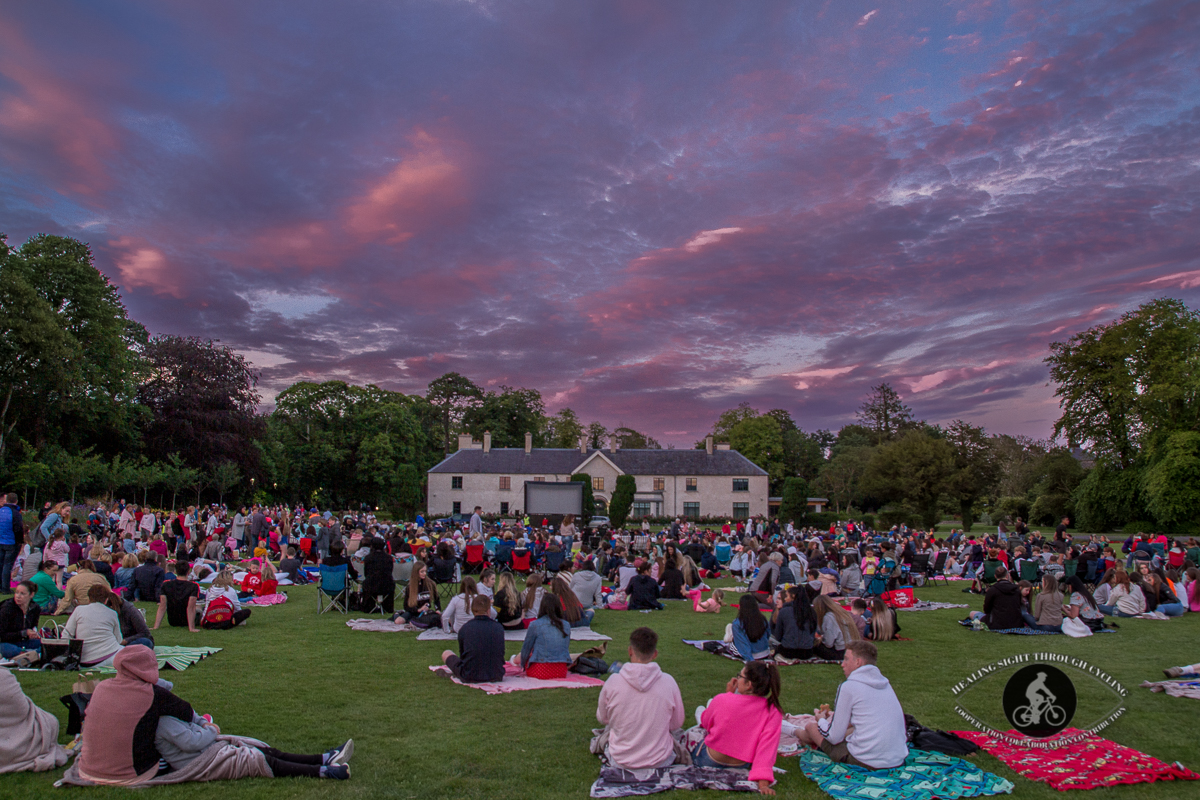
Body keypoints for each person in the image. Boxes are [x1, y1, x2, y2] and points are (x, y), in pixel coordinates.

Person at [74, 645, 350, 784]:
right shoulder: (153, 703)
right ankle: (323, 769)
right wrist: (210, 728)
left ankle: (324, 759)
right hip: (133, 770)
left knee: (256, 750)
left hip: (96, 765)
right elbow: (187, 719)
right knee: (254, 758)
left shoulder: (105, 689)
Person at [797, 641, 908, 770]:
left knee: (812, 727)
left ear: (858, 662)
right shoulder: (885, 684)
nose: (842, 664)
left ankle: (793, 731)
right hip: (897, 758)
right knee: (850, 729)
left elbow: (834, 737)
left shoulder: (849, 687)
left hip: (867, 761)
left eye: (846, 659)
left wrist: (820, 719)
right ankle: (795, 732)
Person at [596, 627, 685, 770]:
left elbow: (603, 718)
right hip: (660, 759)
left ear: (630, 651)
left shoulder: (613, 682)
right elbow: (676, 723)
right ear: (654, 654)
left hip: (621, 758)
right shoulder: (668, 682)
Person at [694, 660, 783, 795]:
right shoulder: (772, 710)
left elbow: (706, 723)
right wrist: (763, 784)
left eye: (740, 676)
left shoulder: (722, 700)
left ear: (748, 685)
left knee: (695, 727)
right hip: (741, 764)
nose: (737, 679)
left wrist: (727, 695)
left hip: (709, 760)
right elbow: (767, 748)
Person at [439, 594, 505, 683]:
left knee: (446, 653)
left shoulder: (465, 628)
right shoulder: (498, 628)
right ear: (488, 610)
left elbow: (463, 655)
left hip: (470, 675)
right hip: (495, 674)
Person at [64, 584, 125, 667]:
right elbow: (119, 639)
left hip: (84, 659)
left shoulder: (79, 610)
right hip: (111, 655)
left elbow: (66, 634)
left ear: (89, 598)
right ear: (106, 600)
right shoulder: (112, 613)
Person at [519, 593, 573, 679]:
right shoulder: (566, 625)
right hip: (561, 670)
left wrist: (522, 664)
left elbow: (526, 648)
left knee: (524, 656)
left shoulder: (535, 624)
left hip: (540, 670)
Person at [0, 581, 42, 660]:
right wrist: (23, 633)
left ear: (31, 595)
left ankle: (27, 655)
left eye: (22, 593)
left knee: (44, 644)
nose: (18, 596)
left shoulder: (35, 608)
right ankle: (29, 655)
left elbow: (33, 626)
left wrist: (34, 634)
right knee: (11, 650)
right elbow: (2, 635)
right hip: (6, 643)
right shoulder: (7, 608)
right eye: (17, 592)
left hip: (24, 642)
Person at [154, 562, 202, 633]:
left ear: (175, 571)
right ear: (188, 572)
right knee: (200, 608)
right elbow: (190, 607)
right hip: (187, 620)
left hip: (172, 620)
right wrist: (191, 628)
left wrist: (156, 626)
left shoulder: (166, 585)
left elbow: (162, 606)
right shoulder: (193, 586)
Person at [772, 586, 817, 660]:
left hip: (788, 651)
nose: (785, 599)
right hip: (807, 652)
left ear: (793, 596)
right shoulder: (811, 612)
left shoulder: (784, 611)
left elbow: (778, 635)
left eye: (786, 596)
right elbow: (813, 631)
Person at [812, 595, 858, 660]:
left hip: (840, 652)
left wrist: (820, 640)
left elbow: (829, 643)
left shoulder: (829, 617)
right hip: (850, 648)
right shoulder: (842, 613)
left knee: (814, 645)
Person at [731, 594, 772, 661]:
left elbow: (742, 644)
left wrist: (750, 660)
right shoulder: (763, 619)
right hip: (765, 652)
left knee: (732, 645)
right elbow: (768, 634)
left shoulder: (737, 623)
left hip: (752, 654)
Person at [0, 493, 25, 596]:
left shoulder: (1, 511)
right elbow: (18, 528)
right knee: (7, 565)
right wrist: (20, 541)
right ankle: (5, 588)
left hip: (0, 541)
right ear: (16, 501)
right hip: (11, 542)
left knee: (1, 564)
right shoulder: (15, 513)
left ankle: (1, 586)